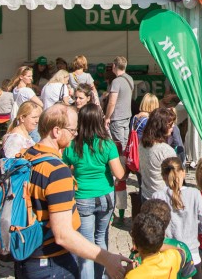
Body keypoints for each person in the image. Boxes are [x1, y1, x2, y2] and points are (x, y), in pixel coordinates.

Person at [17, 104, 128, 278]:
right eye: (72, 130)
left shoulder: (26, 155)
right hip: (52, 262)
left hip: (28, 256)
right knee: (96, 238)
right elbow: (63, 235)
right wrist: (107, 259)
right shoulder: (57, 171)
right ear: (56, 131)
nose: (75, 134)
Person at [63, 104, 125, 279]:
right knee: (101, 239)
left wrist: (76, 172)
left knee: (86, 245)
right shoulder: (107, 144)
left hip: (82, 197)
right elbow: (119, 174)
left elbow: (63, 169)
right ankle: (103, 275)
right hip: (105, 196)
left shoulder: (71, 145)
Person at [152, 157, 202, 270]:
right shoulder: (194, 194)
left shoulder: (157, 196)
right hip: (192, 257)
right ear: (183, 173)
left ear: (163, 177)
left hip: (167, 258)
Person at [125, 212, 189, 279]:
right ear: (163, 238)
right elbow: (181, 251)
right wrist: (158, 244)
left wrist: (127, 271)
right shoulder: (173, 257)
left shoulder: (132, 276)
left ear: (135, 244)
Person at [139, 108, 178, 200]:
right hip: (162, 198)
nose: (173, 127)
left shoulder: (141, 144)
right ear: (162, 126)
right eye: (171, 124)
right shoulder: (166, 150)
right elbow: (175, 179)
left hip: (146, 194)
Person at [105, 57, 134, 154]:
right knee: (125, 145)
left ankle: (120, 166)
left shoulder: (116, 82)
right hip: (127, 116)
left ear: (114, 66)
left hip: (117, 118)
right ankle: (126, 166)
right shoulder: (130, 78)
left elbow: (112, 102)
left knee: (118, 147)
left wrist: (107, 117)